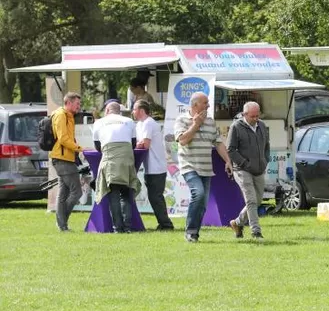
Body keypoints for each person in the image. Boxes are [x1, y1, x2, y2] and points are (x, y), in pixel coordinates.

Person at [174, 92, 233, 243]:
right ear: (195, 105)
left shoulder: (210, 122)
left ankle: (194, 233)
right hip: (189, 166)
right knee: (198, 194)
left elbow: (218, 142)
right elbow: (182, 140)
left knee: (202, 203)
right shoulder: (181, 120)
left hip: (206, 168)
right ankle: (190, 232)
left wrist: (227, 160)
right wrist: (196, 124)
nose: (208, 105)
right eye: (205, 102)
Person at [92, 101, 139, 233]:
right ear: (119, 111)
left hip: (110, 159)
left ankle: (117, 227)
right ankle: (128, 227)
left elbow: (97, 146)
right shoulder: (129, 121)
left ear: (107, 111)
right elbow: (133, 143)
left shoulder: (99, 123)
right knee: (126, 192)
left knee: (113, 193)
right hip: (127, 160)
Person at [227, 102, 270, 240]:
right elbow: (231, 150)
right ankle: (256, 232)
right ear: (245, 114)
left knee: (257, 201)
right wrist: (245, 163)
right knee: (251, 200)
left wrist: (265, 160)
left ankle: (237, 222)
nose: (256, 119)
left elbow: (267, 145)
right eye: (253, 116)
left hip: (259, 168)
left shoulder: (262, 125)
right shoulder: (236, 127)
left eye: (258, 115)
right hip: (242, 169)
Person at [133, 99, 174, 231]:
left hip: (156, 167)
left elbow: (144, 144)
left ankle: (166, 224)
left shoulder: (149, 123)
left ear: (141, 110)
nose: (132, 112)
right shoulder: (140, 124)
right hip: (150, 167)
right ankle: (163, 223)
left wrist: (135, 144)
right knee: (154, 197)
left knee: (155, 197)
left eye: (134, 109)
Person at [51, 92, 85, 232]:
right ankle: (62, 222)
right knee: (77, 192)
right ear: (69, 103)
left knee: (63, 193)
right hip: (63, 159)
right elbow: (63, 139)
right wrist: (80, 149)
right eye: (77, 104)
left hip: (65, 158)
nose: (79, 107)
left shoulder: (68, 116)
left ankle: (62, 225)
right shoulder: (61, 115)